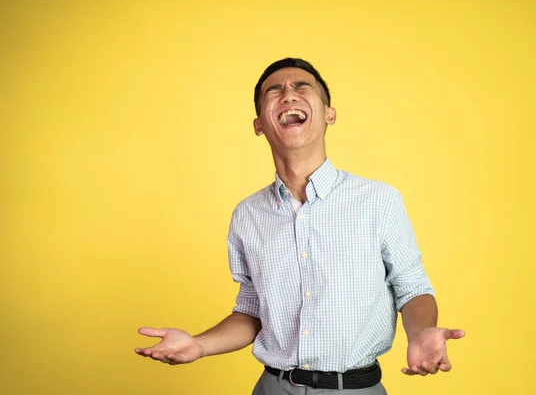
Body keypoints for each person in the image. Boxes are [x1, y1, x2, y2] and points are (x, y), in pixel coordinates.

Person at [135, 58, 465, 394]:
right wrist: (199, 344)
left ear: (329, 114)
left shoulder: (379, 200)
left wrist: (422, 332)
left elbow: (412, 288)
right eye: (274, 90)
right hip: (273, 387)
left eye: (301, 87)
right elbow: (251, 311)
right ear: (259, 124)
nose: (288, 94)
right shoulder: (247, 215)